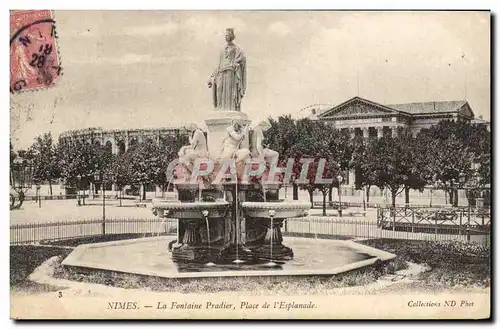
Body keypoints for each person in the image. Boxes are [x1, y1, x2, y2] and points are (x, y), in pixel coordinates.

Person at [207, 28, 246, 112]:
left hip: (230, 73)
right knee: (219, 90)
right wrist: (211, 76)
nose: (226, 36)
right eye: (225, 35)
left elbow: (242, 58)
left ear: (232, 36)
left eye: (228, 34)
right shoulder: (222, 49)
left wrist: (236, 62)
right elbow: (218, 64)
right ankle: (220, 108)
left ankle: (231, 109)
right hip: (221, 73)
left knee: (229, 93)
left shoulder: (236, 49)